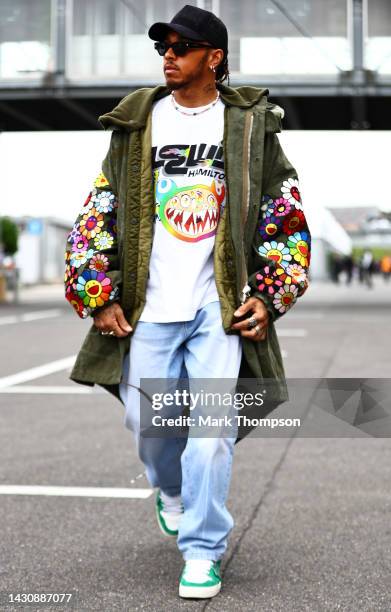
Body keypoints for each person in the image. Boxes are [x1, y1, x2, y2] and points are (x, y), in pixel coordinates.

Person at [64, 4, 311, 600]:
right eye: (164, 47)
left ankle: (202, 549)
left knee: (210, 431)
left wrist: (272, 293)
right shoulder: (136, 125)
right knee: (148, 423)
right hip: (148, 303)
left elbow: (285, 209)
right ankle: (170, 493)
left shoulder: (250, 126)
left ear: (214, 57)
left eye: (181, 46)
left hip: (216, 305)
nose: (168, 56)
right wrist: (98, 291)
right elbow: (100, 207)